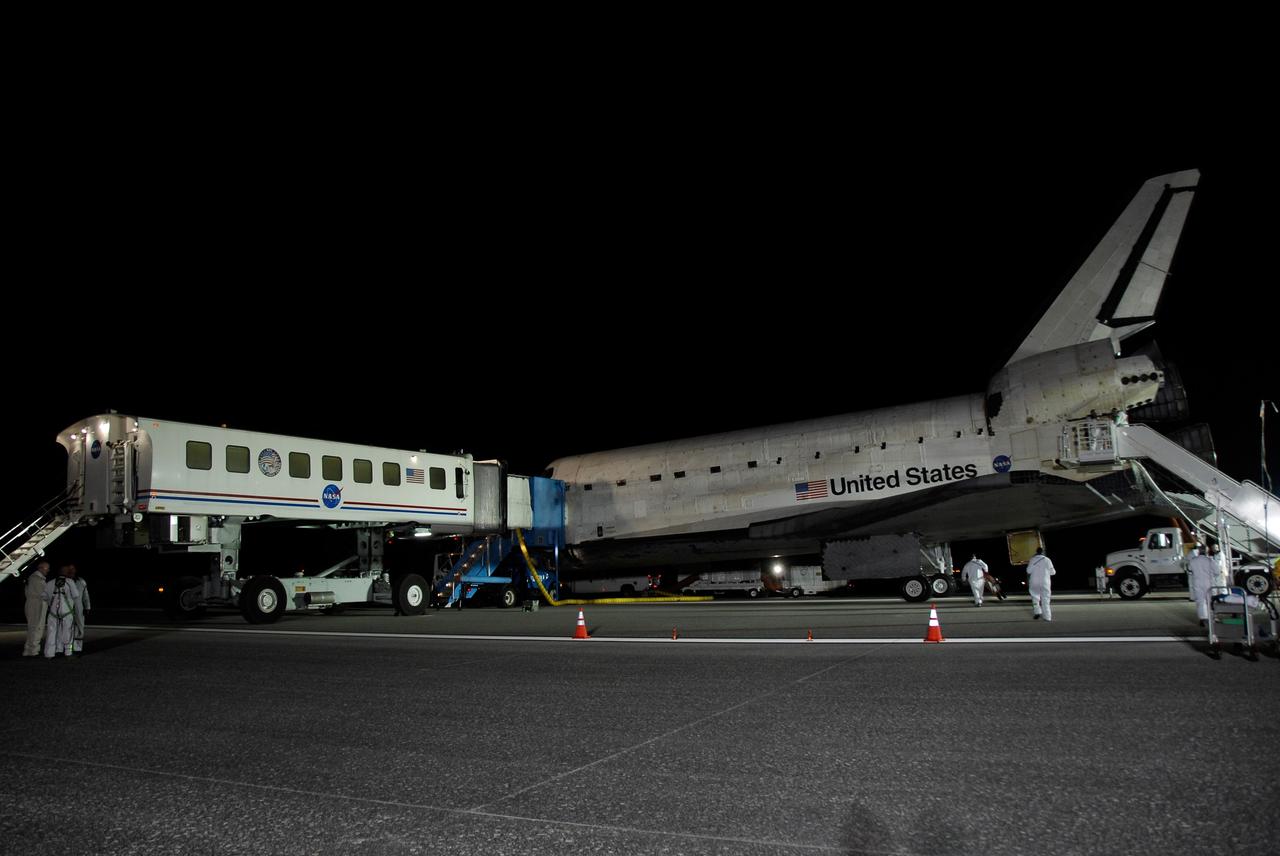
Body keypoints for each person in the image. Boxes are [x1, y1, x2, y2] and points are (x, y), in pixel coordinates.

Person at [42, 565, 78, 658]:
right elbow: (76, 595)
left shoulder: (50, 582)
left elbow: (44, 596)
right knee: (68, 632)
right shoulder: (70, 582)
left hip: (53, 612)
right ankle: (68, 652)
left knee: (51, 632)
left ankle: (50, 653)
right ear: (66, 573)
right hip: (67, 611)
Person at [1187, 541, 1221, 626]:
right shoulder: (1210, 560)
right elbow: (1217, 572)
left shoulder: (1193, 561)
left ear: (1198, 551)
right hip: (1209, 583)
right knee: (1210, 601)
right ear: (1206, 551)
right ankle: (1212, 618)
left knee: (1200, 601)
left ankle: (1202, 619)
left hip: (1197, 582)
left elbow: (1189, 571)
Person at [22, 560, 51, 656]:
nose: (48, 570)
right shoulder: (36, 578)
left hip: (35, 604)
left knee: (34, 627)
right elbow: (43, 594)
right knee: (36, 627)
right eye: (47, 568)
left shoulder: (36, 578)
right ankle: (32, 651)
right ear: (41, 568)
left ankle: (30, 650)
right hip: (36, 605)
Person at [1027, 547, 1056, 621]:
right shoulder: (1047, 560)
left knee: (1035, 598)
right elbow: (1053, 572)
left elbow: (1028, 571)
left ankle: (1037, 611)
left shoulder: (1032, 559)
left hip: (1034, 582)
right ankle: (1047, 617)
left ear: (1036, 552)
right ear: (1043, 552)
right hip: (1045, 582)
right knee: (1045, 599)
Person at [67, 564, 90, 654]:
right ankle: (68, 648)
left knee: (79, 628)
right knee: (67, 628)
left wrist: (87, 607)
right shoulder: (64, 581)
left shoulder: (81, 581)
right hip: (66, 607)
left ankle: (77, 648)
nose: (71, 570)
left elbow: (85, 596)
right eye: (69, 568)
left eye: (73, 568)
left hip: (79, 607)